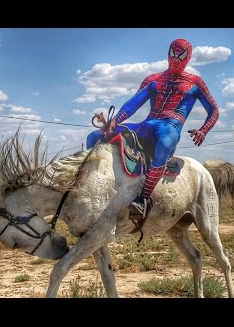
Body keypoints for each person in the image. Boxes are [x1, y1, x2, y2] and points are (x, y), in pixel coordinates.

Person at [86, 38, 219, 219]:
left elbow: (213, 110)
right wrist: (116, 121)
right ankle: (89, 184)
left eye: (181, 55)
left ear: (188, 58)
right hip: (145, 126)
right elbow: (134, 103)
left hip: (170, 127)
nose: (176, 59)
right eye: (173, 54)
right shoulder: (153, 79)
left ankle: (143, 198)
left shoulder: (195, 83)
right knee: (94, 136)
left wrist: (204, 130)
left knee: (164, 144)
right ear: (168, 54)